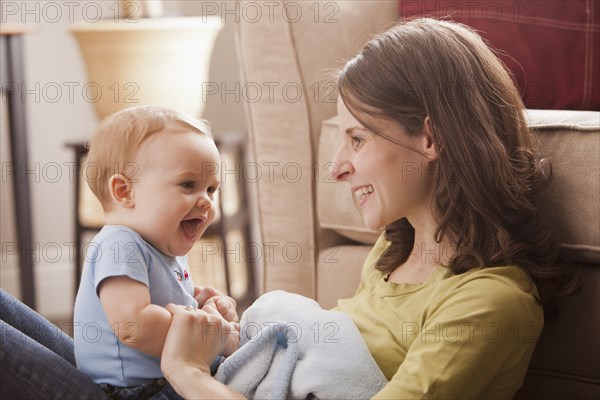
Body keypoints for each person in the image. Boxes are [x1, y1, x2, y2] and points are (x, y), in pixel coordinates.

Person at [0, 18, 576, 399]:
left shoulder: (487, 304)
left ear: (430, 139)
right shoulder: (393, 252)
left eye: (357, 140)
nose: (336, 168)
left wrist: (189, 371)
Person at [72, 105, 240, 398]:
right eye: (188, 185)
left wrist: (201, 308)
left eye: (211, 189)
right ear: (125, 191)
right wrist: (214, 337)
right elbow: (133, 325)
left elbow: (164, 306)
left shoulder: (160, 244)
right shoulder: (119, 244)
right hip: (138, 391)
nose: (206, 201)